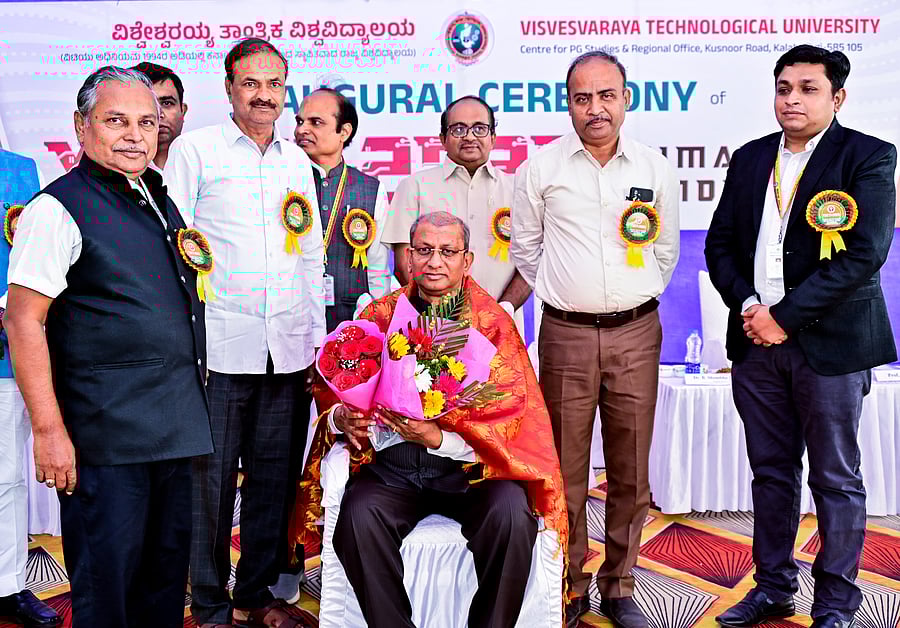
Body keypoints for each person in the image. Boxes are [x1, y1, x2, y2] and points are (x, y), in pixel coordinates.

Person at [4, 66, 212, 627]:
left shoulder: (152, 194)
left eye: (147, 121)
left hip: (171, 430)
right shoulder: (56, 209)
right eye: (115, 120)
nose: (135, 134)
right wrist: (49, 431)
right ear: (80, 125)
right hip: (105, 439)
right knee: (108, 593)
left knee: (162, 586)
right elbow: (23, 322)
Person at [292, 211, 566, 628]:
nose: (434, 262)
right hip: (392, 472)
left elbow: (515, 423)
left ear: (467, 260)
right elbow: (334, 394)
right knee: (357, 518)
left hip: (471, 474)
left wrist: (439, 439)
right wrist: (341, 420)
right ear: (408, 258)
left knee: (511, 517)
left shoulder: (492, 325)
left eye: (447, 252)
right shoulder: (380, 317)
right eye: (423, 251)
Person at [705, 46, 897, 628]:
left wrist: (783, 316)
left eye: (808, 88)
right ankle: (773, 587)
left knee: (835, 478)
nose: (792, 98)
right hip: (757, 345)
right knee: (770, 472)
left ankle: (837, 603)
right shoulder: (750, 158)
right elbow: (719, 247)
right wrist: (748, 305)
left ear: (836, 98)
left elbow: (863, 255)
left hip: (830, 346)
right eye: (784, 87)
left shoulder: (866, 156)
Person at [511, 51, 680, 628]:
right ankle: (570, 581)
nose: (595, 108)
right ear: (568, 103)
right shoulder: (541, 169)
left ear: (626, 99)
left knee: (631, 467)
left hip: (638, 331)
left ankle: (621, 583)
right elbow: (526, 252)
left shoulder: (655, 168)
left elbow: (665, 252)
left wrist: (629, 299)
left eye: (606, 95)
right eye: (583, 98)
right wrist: (572, 297)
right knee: (565, 467)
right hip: (566, 336)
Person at [164, 38, 323, 628]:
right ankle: (207, 602)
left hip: (285, 350)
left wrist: (313, 345)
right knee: (209, 485)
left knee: (273, 479)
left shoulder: (295, 159)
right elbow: (174, 253)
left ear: (286, 92)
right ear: (229, 87)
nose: (263, 96)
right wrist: (187, 342)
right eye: (250, 83)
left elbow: (310, 257)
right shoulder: (195, 151)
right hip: (220, 350)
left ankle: (255, 595)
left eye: (274, 85)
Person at [380, 96, 531, 325]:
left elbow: (530, 261)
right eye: (459, 129)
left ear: (493, 138)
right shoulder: (414, 187)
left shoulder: (518, 190)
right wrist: (438, 316)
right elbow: (404, 265)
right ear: (442, 138)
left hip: (502, 327)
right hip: (430, 328)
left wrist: (504, 309)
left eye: (479, 128)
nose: (469, 136)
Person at [0, 151, 60, 627]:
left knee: (6, 480)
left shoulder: (20, 170)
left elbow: (28, 261)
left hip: (6, 350)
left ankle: (9, 585)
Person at [295, 87, 392, 331]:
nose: (302, 129)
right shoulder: (285, 182)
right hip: (292, 319)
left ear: (344, 132)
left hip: (353, 324)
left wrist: (378, 327)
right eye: (300, 121)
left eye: (315, 122)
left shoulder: (370, 189)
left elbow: (378, 270)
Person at [131, 62, 187, 170]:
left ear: (183, 111)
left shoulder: (205, 164)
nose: (159, 114)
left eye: (167, 103)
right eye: (147, 104)